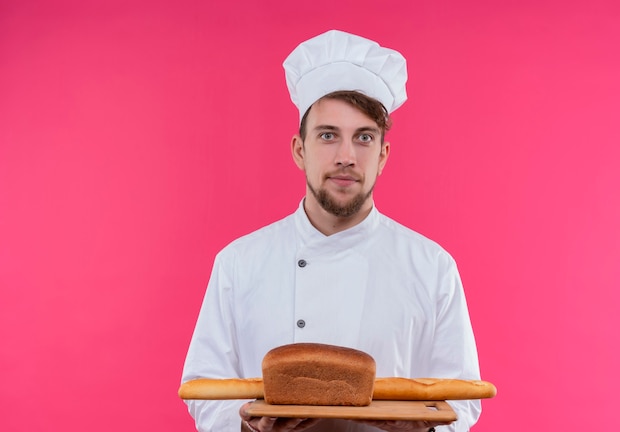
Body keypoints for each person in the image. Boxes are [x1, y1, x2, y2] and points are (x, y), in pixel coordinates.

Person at [181, 30, 482, 432]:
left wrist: (421, 428)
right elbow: (203, 389)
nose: (346, 157)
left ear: (383, 155)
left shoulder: (432, 267)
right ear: (299, 149)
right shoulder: (239, 263)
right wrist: (246, 424)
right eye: (328, 136)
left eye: (364, 138)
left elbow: (463, 401)